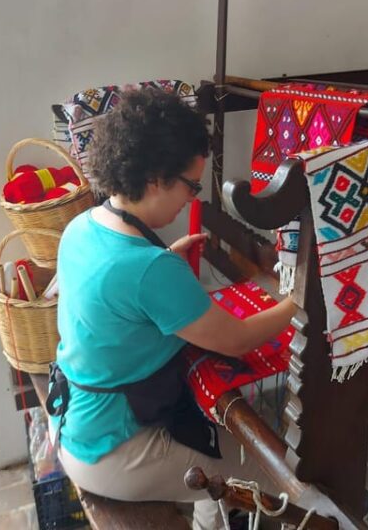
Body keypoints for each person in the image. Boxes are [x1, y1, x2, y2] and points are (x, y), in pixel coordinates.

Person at [50, 88, 296, 529]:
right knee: (291, 482)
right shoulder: (149, 270)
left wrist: (168, 263)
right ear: (155, 178)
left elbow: (119, 301)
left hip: (74, 422)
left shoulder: (82, 227)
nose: (192, 198)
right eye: (191, 185)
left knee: (219, 450)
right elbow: (236, 340)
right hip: (115, 449)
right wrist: (300, 303)